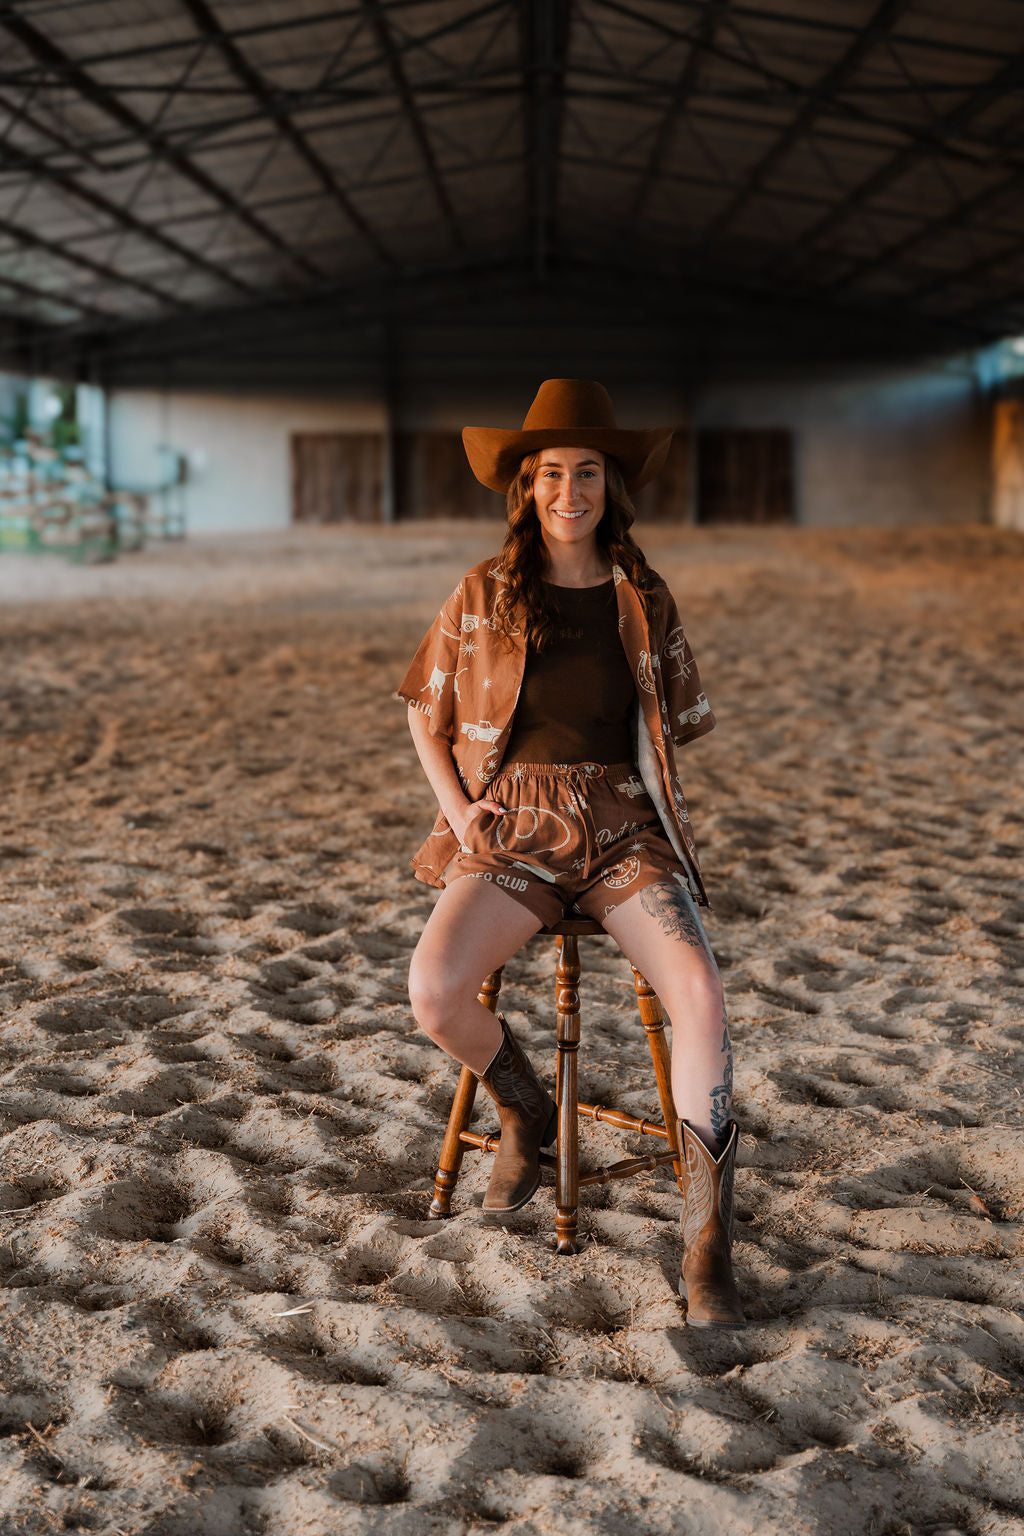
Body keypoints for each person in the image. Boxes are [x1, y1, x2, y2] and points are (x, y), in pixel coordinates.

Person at [395, 379, 743, 1328]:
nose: (568, 490)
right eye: (550, 472)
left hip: (625, 825)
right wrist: (462, 814)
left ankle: (708, 1242)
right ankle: (526, 1109)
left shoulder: (643, 592)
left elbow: (681, 722)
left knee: (702, 996)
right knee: (433, 992)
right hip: (516, 824)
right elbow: (425, 715)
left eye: (587, 471)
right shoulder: (484, 591)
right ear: (527, 486)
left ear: (610, 485)